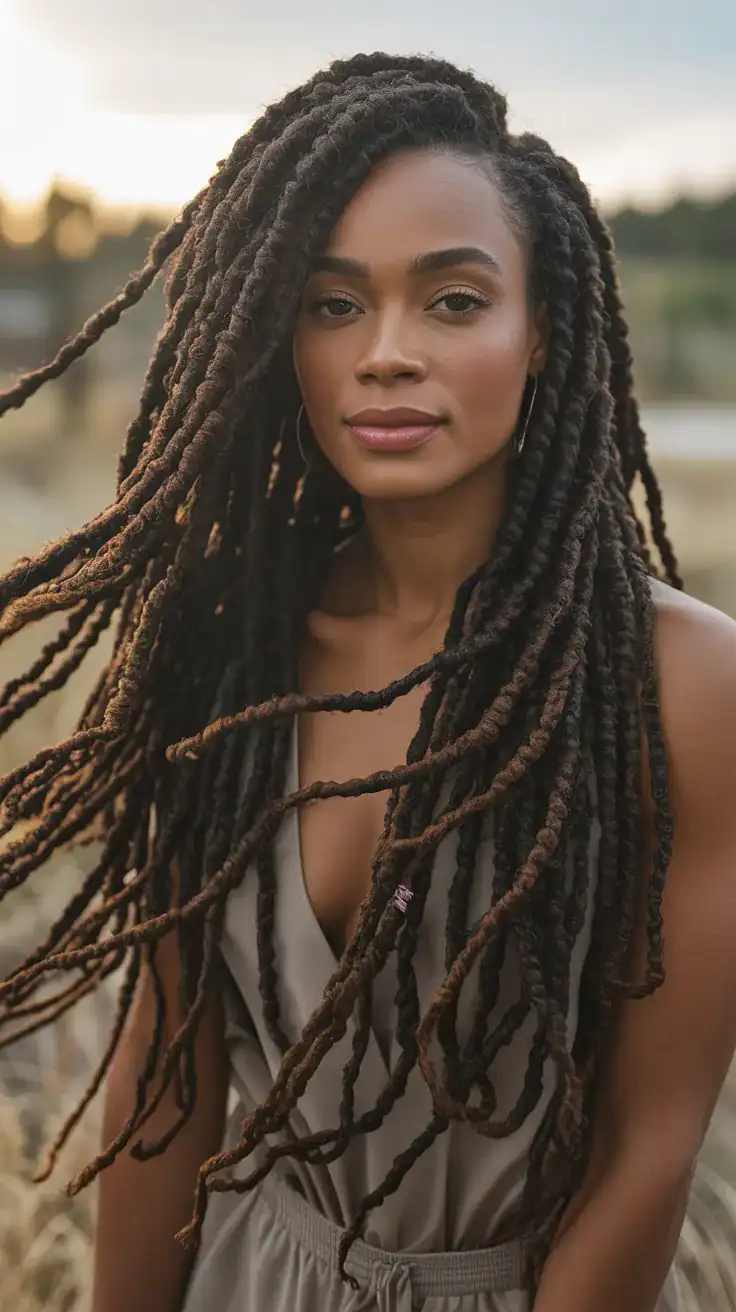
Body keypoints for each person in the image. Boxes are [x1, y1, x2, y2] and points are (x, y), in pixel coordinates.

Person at [0, 51, 735, 1312]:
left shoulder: (683, 681)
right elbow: (166, 1077)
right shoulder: (223, 649)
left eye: (453, 301)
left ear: (542, 325)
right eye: (333, 305)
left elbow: (643, 1148)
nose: (386, 353)